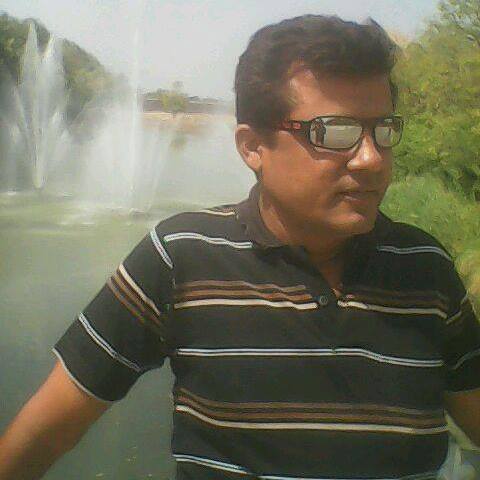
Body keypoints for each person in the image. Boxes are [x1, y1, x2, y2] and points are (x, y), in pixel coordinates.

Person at [1, 14, 480, 480]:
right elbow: (42, 437)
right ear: (252, 147)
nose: (372, 159)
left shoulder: (425, 268)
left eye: (384, 130)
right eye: (336, 132)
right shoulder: (181, 257)